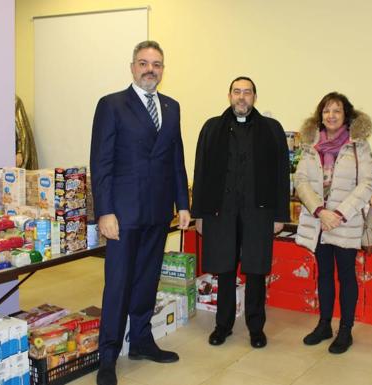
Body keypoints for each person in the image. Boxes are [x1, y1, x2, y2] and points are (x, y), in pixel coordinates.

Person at [90, 40, 190, 385]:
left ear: (163, 69)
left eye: (157, 64)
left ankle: (142, 341)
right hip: (123, 213)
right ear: (132, 66)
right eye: (144, 63)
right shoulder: (112, 105)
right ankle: (108, 356)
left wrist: (183, 204)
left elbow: (176, 159)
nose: (151, 69)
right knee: (118, 284)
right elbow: (100, 163)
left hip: (158, 212)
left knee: (148, 279)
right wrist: (104, 211)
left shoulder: (172, 107)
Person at [191, 76, 290, 349]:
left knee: (256, 270)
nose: (242, 97)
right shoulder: (212, 128)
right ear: (229, 96)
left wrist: (280, 215)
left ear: (254, 97)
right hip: (221, 212)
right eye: (237, 92)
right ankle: (222, 326)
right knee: (224, 269)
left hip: (259, 211)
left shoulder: (271, 129)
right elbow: (200, 172)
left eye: (247, 92)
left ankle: (256, 328)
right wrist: (200, 213)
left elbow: (283, 176)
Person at [294, 92, 372, 354]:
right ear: (320, 115)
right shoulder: (310, 144)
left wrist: (338, 214)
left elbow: (367, 184)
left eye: (336, 111)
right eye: (326, 111)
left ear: (346, 115)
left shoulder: (358, 145)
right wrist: (319, 210)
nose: (331, 115)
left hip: (345, 221)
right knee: (324, 274)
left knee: (347, 276)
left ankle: (345, 330)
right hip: (319, 220)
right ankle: (324, 324)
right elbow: (301, 180)